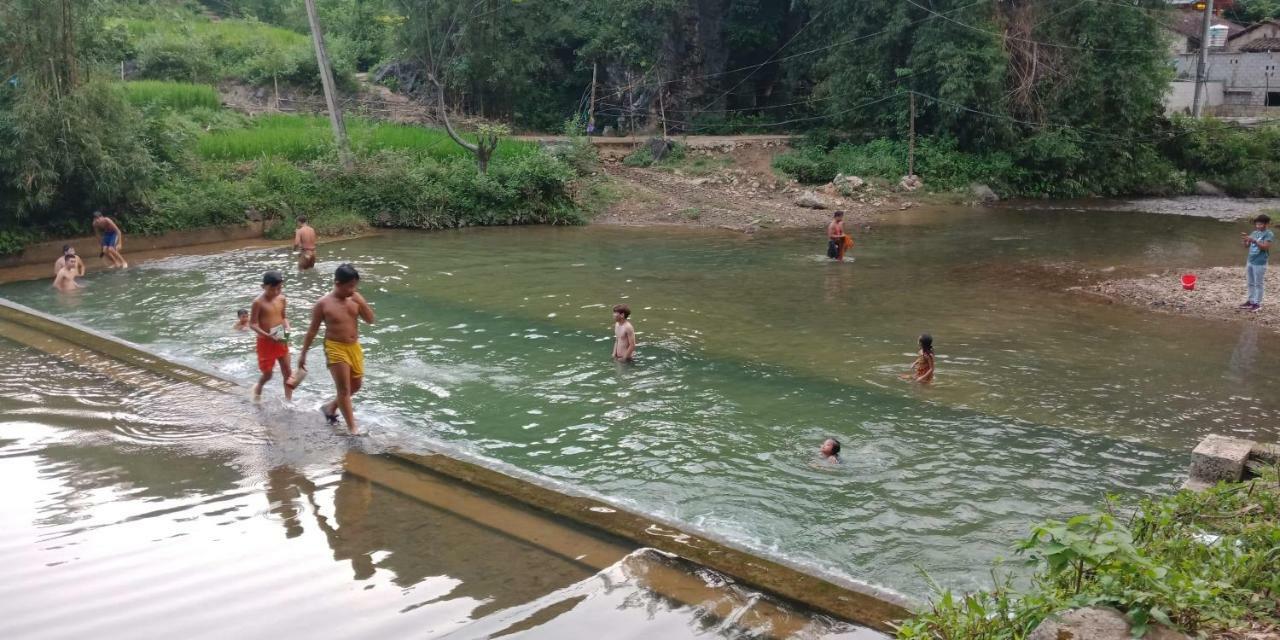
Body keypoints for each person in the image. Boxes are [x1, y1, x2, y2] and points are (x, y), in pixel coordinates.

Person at [298, 263, 375, 434]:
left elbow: (370, 320)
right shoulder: (323, 304)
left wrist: (361, 302)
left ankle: (330, 407)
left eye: (355, 286)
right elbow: (312, 331)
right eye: (349, 286)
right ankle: (352, 428)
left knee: (356, 385)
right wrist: (303, 354)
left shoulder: (355, 298)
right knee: (344, 389)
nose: (353, 289)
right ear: (337, 283)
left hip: (354, 346)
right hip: (335, 347)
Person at [250, 271, 294, 402]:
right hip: (265, 340)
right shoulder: (258, 302)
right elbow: (252, 324)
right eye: (272, 289)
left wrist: (287, 327)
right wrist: (267, 335)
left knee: (287, 371)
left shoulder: (282, 298)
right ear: (263, 287)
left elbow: (284, 317)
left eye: (279, 288)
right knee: (268, 374)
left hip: (280, 334)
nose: (276, 292)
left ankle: (289, 401)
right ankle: (259, 386)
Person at [1240, 214, 1274, 311]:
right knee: (1250, 282)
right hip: (1250, 260)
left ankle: (1257, 304)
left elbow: (1265, 247)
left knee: (1258, 284)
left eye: (1260, 224)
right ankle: (1251, 301)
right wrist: (1245, 240)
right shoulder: (1254, 232)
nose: (1258, 226)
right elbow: (1246, 246)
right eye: (1257, 224)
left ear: (1266, 224)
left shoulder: (1269, 234)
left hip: (1260, 262)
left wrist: (1254, 241)